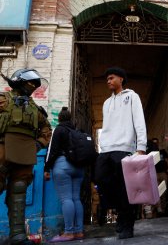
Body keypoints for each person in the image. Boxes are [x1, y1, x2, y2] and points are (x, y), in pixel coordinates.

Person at [95, 67, 147, 239]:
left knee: (124, 188)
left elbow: (139, 121)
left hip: (124, 149)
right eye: (107, 79)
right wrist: (102, 145)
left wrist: (141, 147)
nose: (108, 81)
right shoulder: (106, 103)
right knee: (101, 180)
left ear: (121, 79)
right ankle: (121, 215)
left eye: (111, 78)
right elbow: (107, 127)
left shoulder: (132, 96)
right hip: (106, 150)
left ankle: (127, 224)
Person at [0, 68, 51, 245]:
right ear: (19, 81)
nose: (32, 87)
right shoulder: (3, 100)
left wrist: (38, 145)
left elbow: (46, 129)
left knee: (19, 189)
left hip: (24, 152)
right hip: (2, 148)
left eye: (34, 85)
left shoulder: (35, 109)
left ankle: (18, 235)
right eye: (30, 83)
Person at [44, 107, 85, 242]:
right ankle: (78, 231)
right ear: (70, 119)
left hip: (63, 167)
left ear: (60, 119)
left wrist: (46, 168)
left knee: (66, 199)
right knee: (76, 199)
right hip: (78, 168)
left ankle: (68, 232)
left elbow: (53, 151)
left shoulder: (59, 130)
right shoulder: (75, 131)